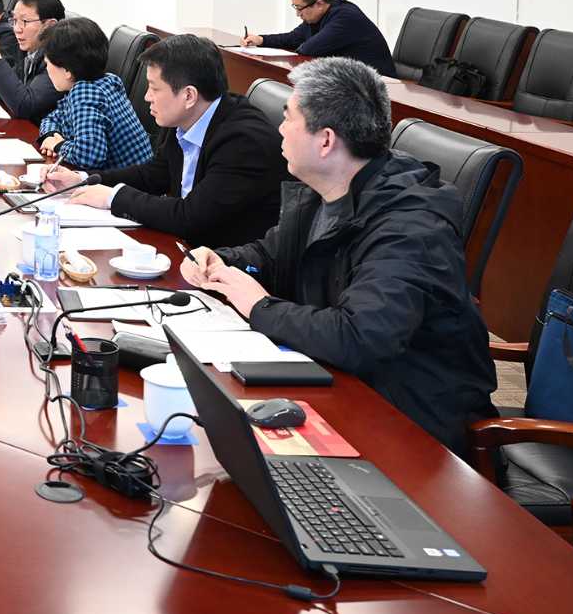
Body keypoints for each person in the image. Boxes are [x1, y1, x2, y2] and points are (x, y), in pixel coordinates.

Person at [182, 56, 497, 459]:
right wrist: (223, 261)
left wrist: (258, 305)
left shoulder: (410, 227)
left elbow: (359, 337)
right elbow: (272, 256)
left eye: (289, 118)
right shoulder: (327, 189)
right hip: (340, 384)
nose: (279, 129)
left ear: (326, 141)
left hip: (412, 426)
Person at [51, 33, 286, 247]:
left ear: (189, 95)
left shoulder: (243, 141)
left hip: (228, 263)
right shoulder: (186, 117)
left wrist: (113, 198)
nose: (146, 97)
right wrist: (82, 180)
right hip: (192, 248)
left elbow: (190, 217)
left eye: (154, 88)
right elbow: (154, 175)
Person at [35, 16, 154, 172]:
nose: (47, 68)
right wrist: (51, 135)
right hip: (138, 177)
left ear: (67, 71)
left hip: (127, 182)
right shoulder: (107, 80)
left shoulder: (84, 94)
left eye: (47, 63)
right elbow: (52, 118)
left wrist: (57, 145)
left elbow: (89, 157)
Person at [244, 0, 395, 77]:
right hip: (352, 82)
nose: (297, 14)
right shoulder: (318, 17)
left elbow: (308, 49)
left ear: (319, 4)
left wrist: (299, 45)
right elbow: (293, 38)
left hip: (379, 87)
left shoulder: (345, 17)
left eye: (299, 8)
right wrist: (261, 40)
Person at [0, 0, 65, 123]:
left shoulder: (60, 59)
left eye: (24, 21)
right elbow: (3, 92)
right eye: (14, 20)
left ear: (50, 25)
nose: (17, 29)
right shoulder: (29, 50)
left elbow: (25, 106)